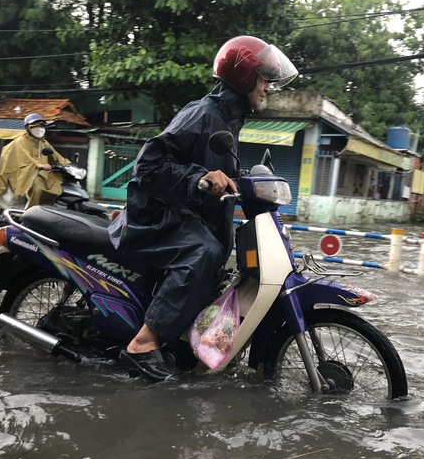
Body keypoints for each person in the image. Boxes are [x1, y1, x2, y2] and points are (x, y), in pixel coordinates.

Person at [109, 35, 298, 381]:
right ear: (243, 77)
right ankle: (143, 344)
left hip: (184, 217)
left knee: (221, 260)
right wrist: (199, 179)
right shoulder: (203, 113)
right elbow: (147, 166)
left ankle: (183, 342)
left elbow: (218, 171)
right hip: (154, 217)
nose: (268, 87)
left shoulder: (230, 120)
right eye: (264, 78)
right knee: (204, 250)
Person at [0, 113, 69, 210]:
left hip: (41, 174)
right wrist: (39, 165)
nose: (39, 128)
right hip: (22, 173)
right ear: (28, 128)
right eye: (35, 126)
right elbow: (24, 157)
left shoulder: (43, 142)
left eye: (42, 126)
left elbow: (56, 155)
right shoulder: (21, 141)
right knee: (38, 189)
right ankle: (30, 214)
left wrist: (67, 164)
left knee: (56, 186)